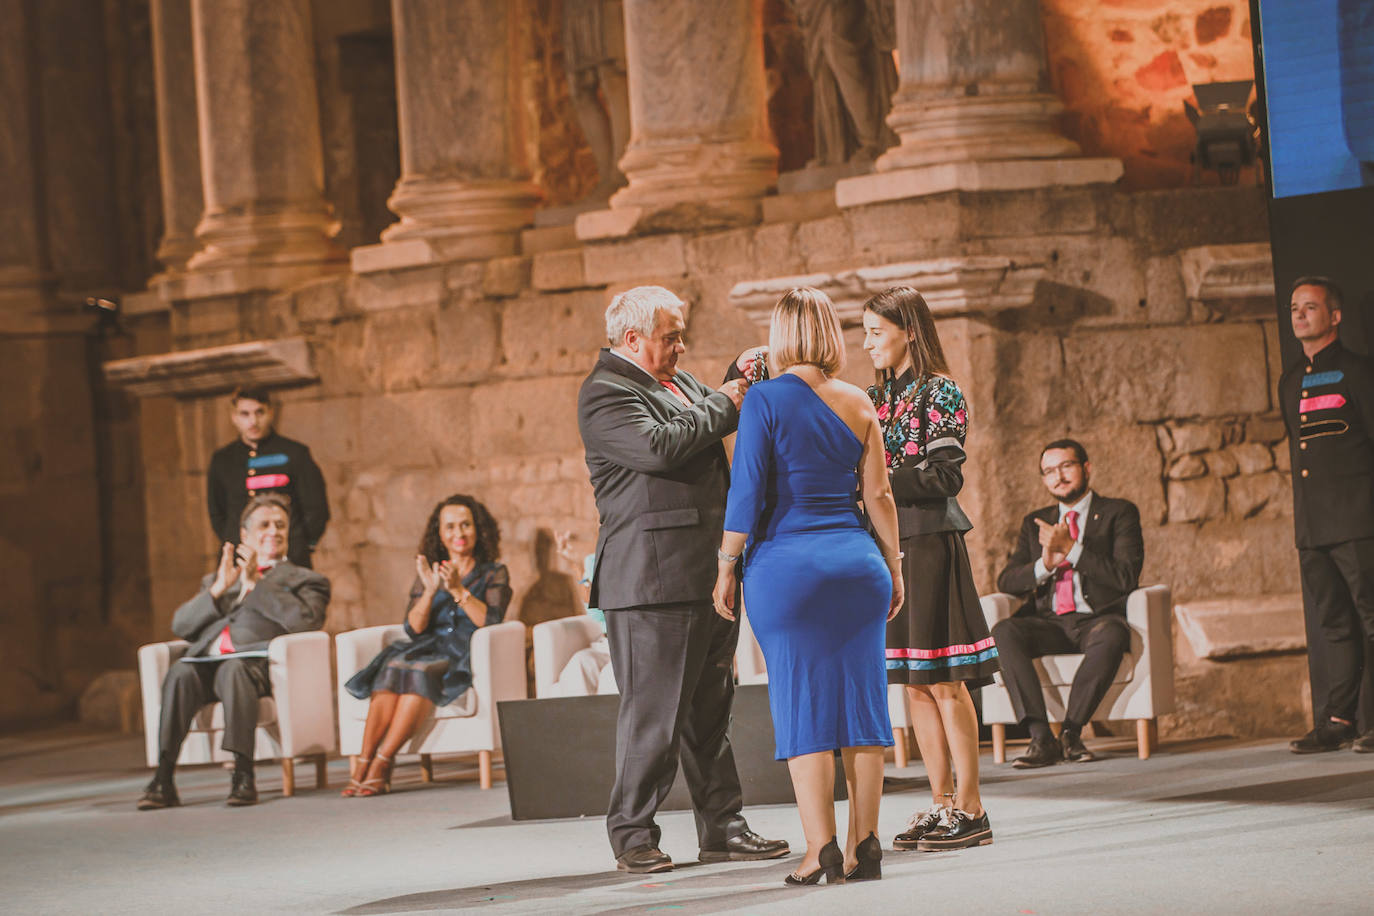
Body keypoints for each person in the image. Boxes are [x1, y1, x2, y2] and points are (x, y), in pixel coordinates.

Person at [576, 285, 788, 874]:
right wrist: (727, 396)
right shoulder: (605, 393)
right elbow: (661, 445)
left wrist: (739, 378)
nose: (681, 344)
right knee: (654, 716)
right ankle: (633, 833)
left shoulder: (683, 382)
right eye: (671, 335)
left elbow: (709, 409)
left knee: (708, 716)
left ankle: (723, 827)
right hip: (650, 583)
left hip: (707, 574)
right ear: (633, 339)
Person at [715, 287, 902, 886]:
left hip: (786, 569)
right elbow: (879, 496)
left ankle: (818, 847)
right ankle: (865, 842)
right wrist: (894, 567)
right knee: (864, 705)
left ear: (779, 335)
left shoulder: (764, 399)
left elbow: (745, 495)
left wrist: (725, 564)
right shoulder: (860, 401)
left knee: (803, 705)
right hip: (856, 564)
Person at [861, 287, 999, 853]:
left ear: (909, 331)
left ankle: (973, 807)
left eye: (877, 331)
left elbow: (944, 476)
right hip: (886, 547)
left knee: (945, 679)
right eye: (864, 331)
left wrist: (880, 481)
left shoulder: (939, 391)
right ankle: (940, 803)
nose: (867, 342)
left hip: (929, 544)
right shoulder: (871, 398)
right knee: (913, 684)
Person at [138, 495, 330, 809]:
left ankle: (243, 773)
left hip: (259, 667)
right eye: (264, 525)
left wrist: (257, 585)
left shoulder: (306, 580)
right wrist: (217, 590)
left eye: (280, 525)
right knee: (181, 672)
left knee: (234, 669)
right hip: (207, 663)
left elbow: (305, 622)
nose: (274, 531)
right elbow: (181, 626)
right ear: (244, 536)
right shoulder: (218, 579)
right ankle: (163, 776)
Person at [342, 494, 512, 794]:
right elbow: (413, 627)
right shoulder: (430, 573)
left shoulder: (492, 572)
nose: (458, 533)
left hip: (462, 652)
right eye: (450, 527)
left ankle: (383, 762)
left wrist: (458, 589)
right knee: (393, 666)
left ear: (478, 529)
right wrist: (431, 591)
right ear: (440, 533)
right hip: (427, 647)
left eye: (465, 525)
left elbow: (491, 621)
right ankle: (364, 762)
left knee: (419, 671)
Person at [994, 439, 1143, 768]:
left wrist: (1072, 550)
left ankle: (1072, 734)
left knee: (1112, 635)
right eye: (1049, 471)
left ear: (1086, 468)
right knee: (1004, 631)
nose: (1058, 477)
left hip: (1096, 620)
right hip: (1050, 622)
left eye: (1066, 467)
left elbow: (1125, 577)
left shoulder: (1119, 513)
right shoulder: (1035, 522)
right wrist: (1044, 565)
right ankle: (1040, 737)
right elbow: (1006, 580)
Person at [1281, 277, 1374, 753]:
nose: (1299, 315)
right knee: (1334, 624)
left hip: (1359, 520)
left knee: (1372, 618)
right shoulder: (1291, 380)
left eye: (1310, 307)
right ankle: (1339, 720)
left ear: (1333, 316)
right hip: (1314, 525)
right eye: (1295, 307)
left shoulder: (1359, 371)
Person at [207, 386, 330, 568]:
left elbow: (316, 509)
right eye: (245, 414)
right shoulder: (222, 460)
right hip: (240, 560)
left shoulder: (295, 454)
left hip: (288, 559)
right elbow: (218, 513)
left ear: (270, 413)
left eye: (259, 412)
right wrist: (237, 540)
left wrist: (300, 546)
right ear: (234, 417)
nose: (253, 421)